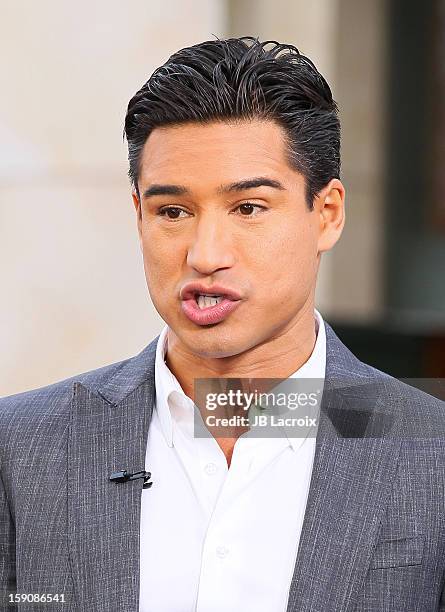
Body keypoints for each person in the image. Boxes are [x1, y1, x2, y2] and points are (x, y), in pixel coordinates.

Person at [1, 36, 444, 612]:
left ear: (327, 214)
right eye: (173, 212)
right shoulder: (19, 448)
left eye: (248, 208)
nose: (205, 254)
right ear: (139, 216)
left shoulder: (431, 451)